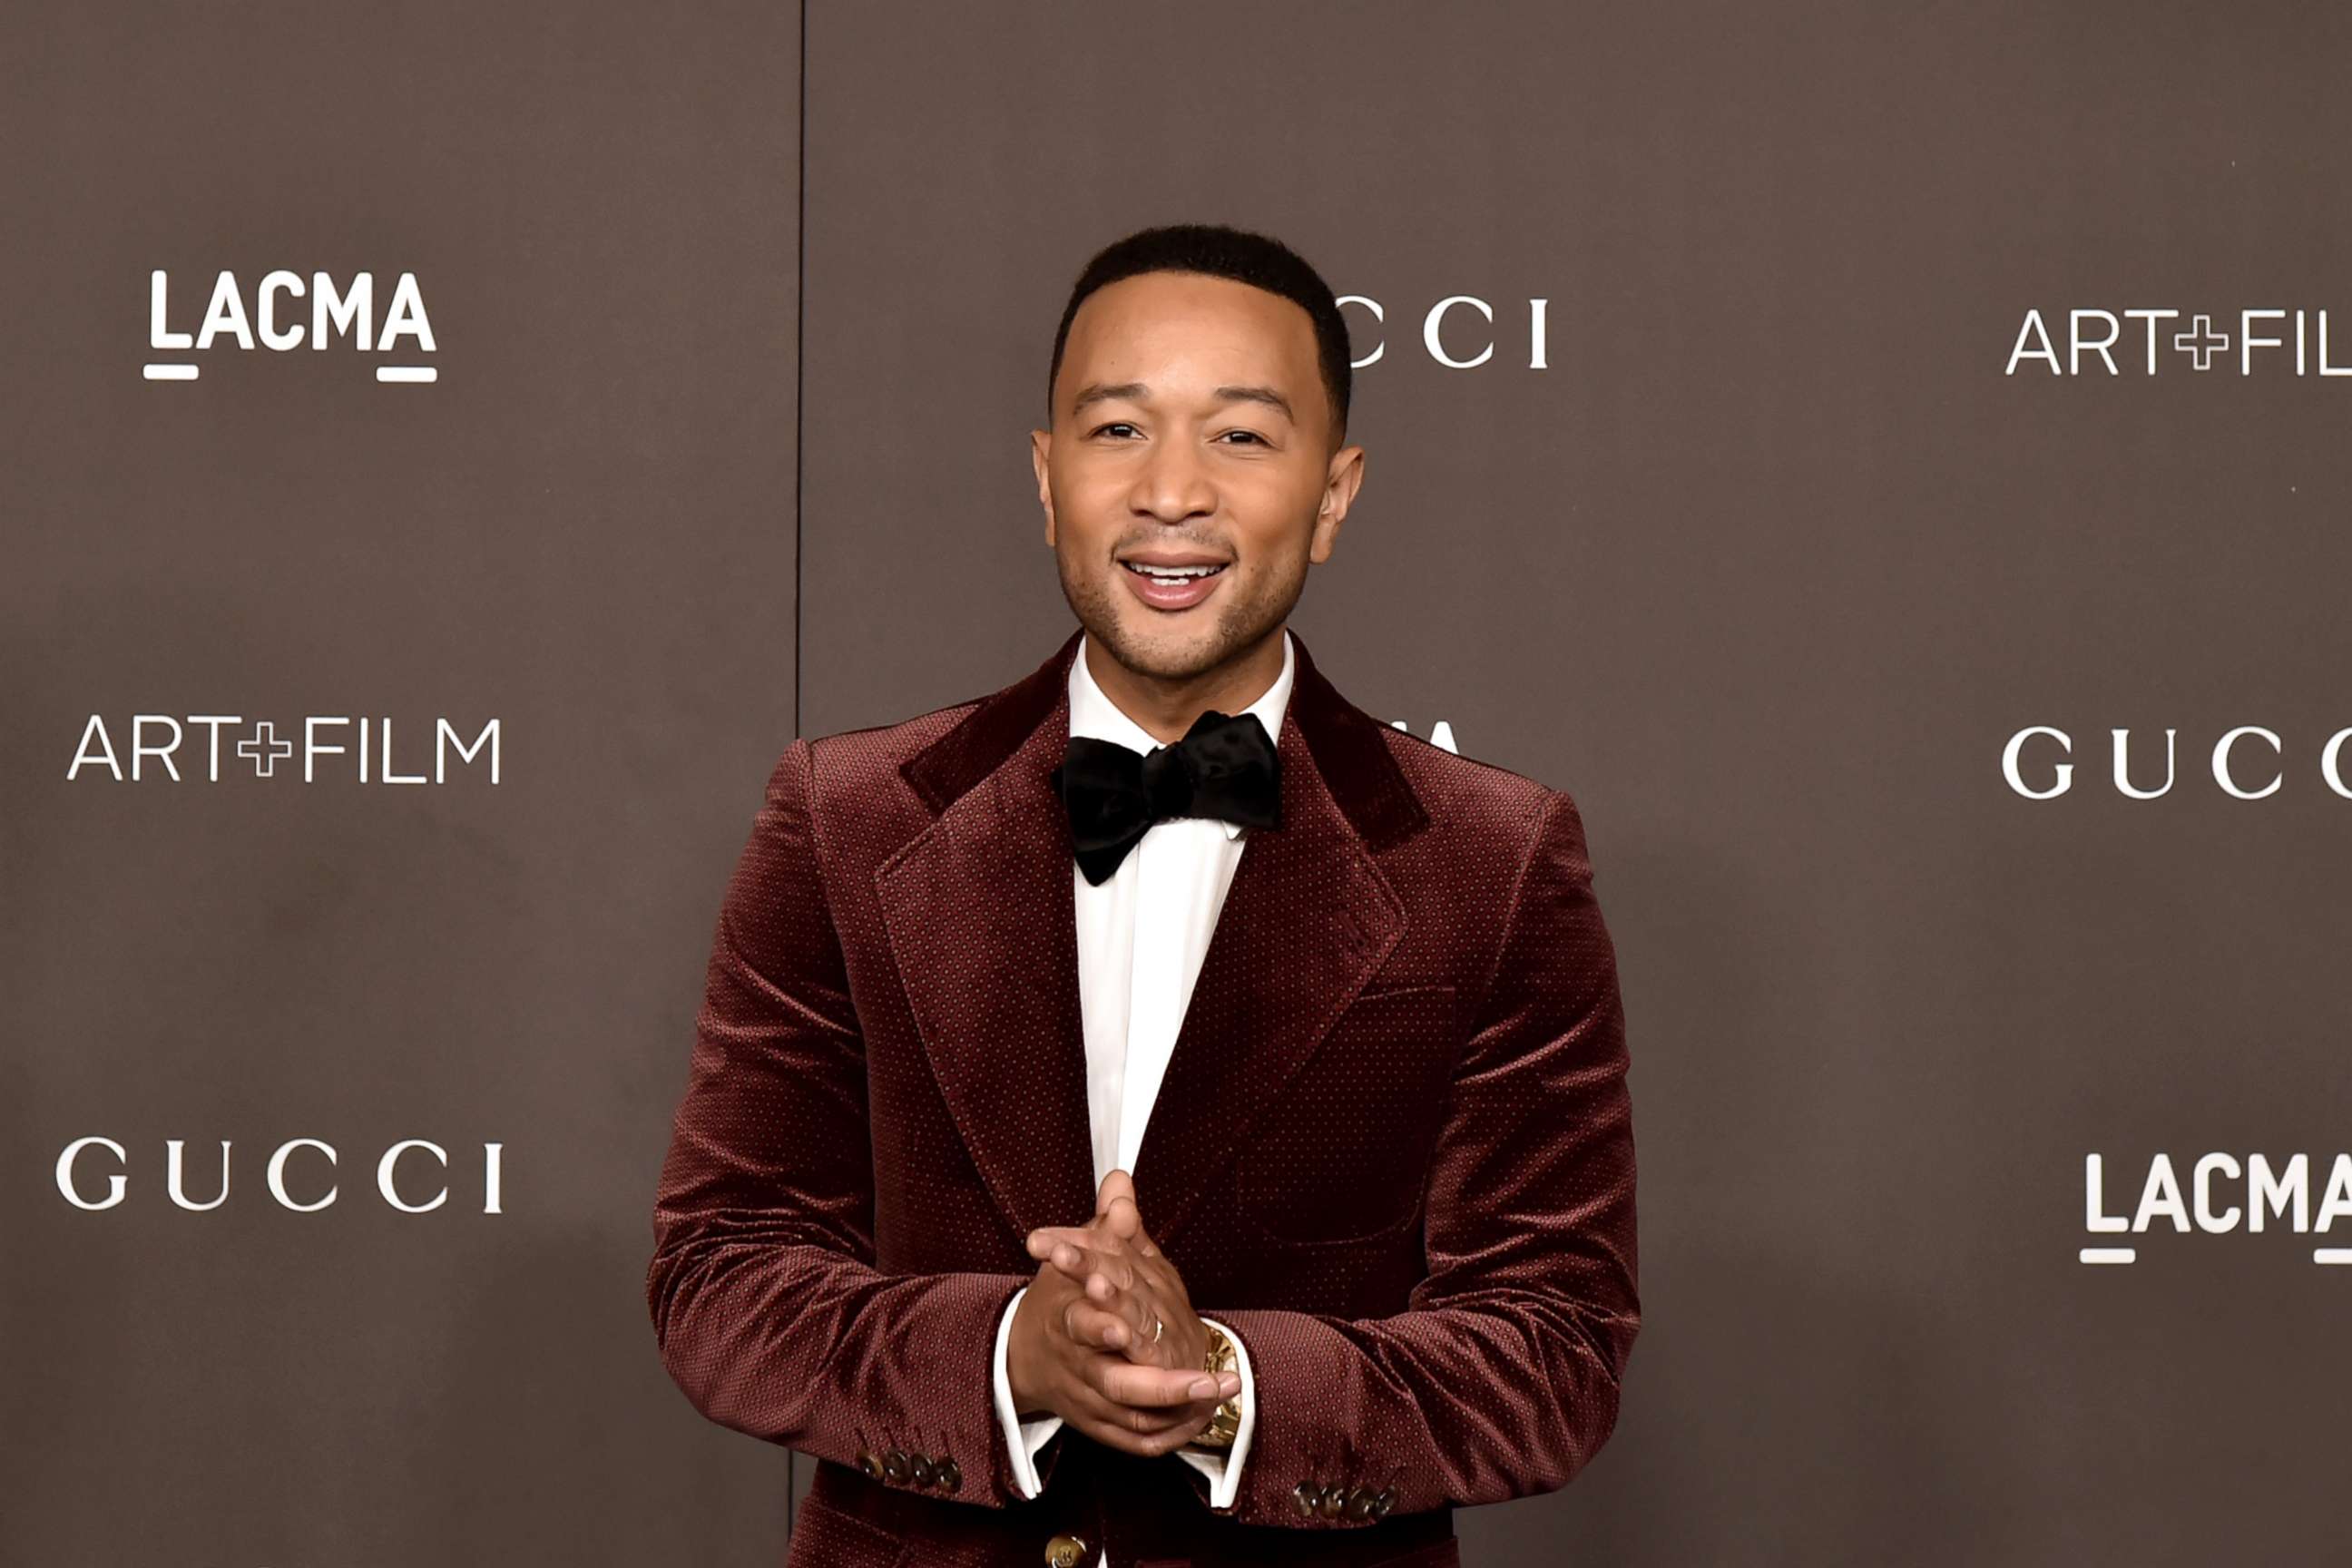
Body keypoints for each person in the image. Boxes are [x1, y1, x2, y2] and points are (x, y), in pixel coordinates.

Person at [645, 221, 1639, 1568]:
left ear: (1336, 494)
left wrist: (1226, 1380)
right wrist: (1009, 1356)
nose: (1173, 492)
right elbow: (724, 1272)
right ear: (1047, 478)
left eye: (1240, 437)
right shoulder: (844, 819)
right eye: (1118, 432)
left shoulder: (1494, 860)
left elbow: (1554, 1343)